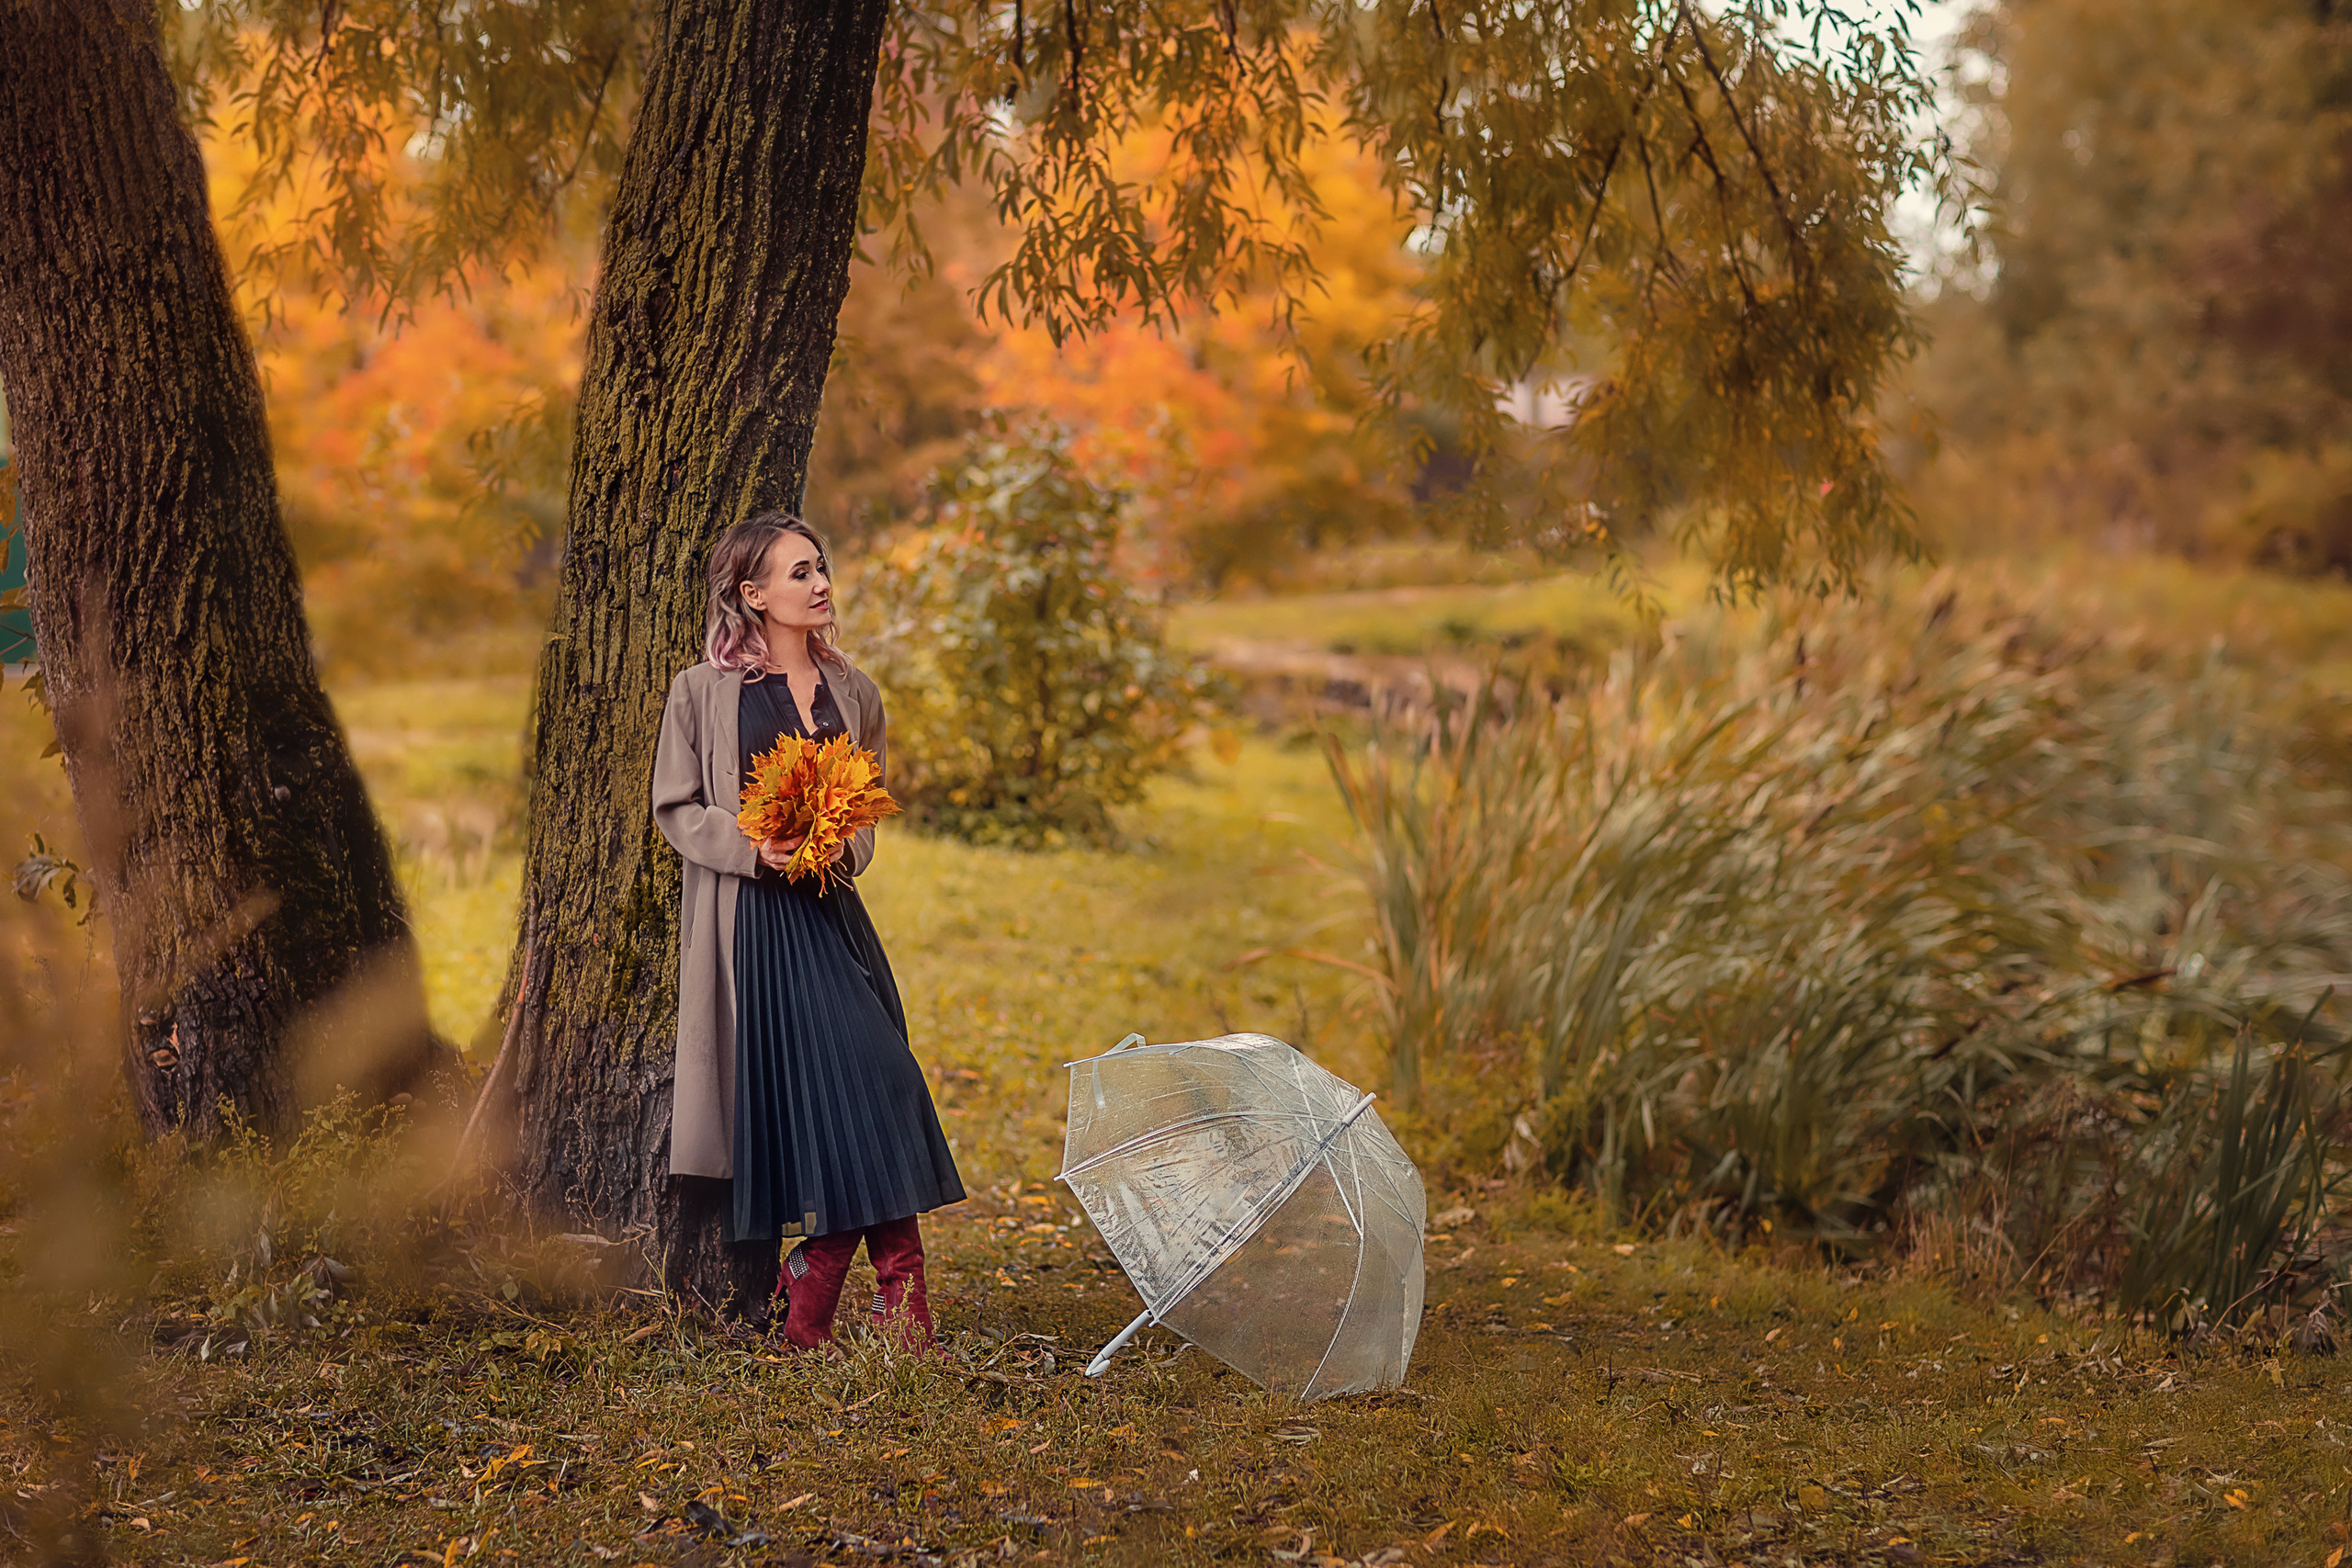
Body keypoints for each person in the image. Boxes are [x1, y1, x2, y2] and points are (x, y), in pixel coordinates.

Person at [650, 512, 964, 1349]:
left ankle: (819, 1276)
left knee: (885, 1079)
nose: (819, 583)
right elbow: (676, 805)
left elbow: (868, 805)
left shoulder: (854, 691)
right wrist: (755, 849)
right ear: (753, 594)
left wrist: (835, 843)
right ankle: (890, 1302)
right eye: (799, 573)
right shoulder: (701, 692)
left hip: (830, 914)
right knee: (836, 1100)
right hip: (752, 926)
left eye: (820, 568)